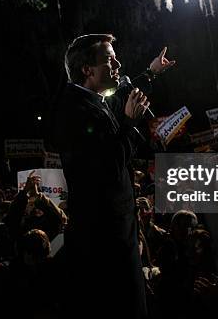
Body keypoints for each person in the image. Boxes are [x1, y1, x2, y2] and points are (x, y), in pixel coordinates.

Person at [52, 33, 175, 318]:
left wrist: (151, 73)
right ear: (88, 70)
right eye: (109, 59)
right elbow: (106, 166)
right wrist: (131, 124)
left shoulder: (94, 100)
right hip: (104, 244)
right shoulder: (73, 112)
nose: (118, 64)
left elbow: (122, 94)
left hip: (119, 235)